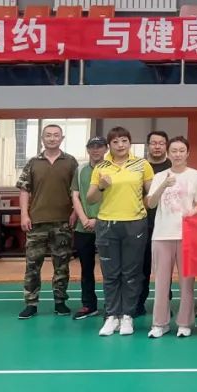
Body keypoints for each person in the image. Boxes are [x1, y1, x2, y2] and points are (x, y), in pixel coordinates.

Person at [87, 127, 155, 337]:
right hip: (107, 224)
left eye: (124, 140)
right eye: (115, 142)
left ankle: (127, 316)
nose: (120, 145)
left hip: (135, 223)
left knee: (131, 273)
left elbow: (151, 196)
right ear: (109, 145)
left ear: (130, 142)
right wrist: (101, 186)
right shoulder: (101, 167)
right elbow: (90, 199)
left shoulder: (142, 165)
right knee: (111, 273)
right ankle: (111, 316)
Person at [145, 136, 197, 338]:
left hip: (187, 235)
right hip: (162, 234)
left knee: (187, 283)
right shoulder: (160, 176)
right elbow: (151, 203)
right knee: (161, 283)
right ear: (168, 153)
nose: (178, 154)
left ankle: (185, 323)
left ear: (188, 153)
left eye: (181, 151)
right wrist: (164, 185)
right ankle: (159, 323)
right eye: (174, 151)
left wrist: (191, 213)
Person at [16, 124, 78, 320]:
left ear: (62, 138)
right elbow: (24, 190)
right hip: (37, 223)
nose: (52, 138)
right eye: (48, 135)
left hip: (63, 223)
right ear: (42, 139)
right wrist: (24, 215)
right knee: (32, 266)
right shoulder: (33, 162)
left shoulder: (71, 162)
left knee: (62, 266)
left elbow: (77, 191)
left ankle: (60, 302)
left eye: (56, 135)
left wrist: (75, 213)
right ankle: (31, 303)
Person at [134, 130, 171, 318]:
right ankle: (138, 303)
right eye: (153, 143)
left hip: (167, 224)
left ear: (166, 146)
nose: (157, 146)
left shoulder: (173, 167)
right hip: (142, 223)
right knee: (142, 266)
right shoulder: (138, 167)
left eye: (161, 143)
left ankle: (165, 305)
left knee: (165, 268)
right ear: (148, 145)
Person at [70, 136, 108, 320]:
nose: (96, 150)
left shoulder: (112, 169)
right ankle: (89, 305)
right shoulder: (80, 170)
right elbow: (75, 196)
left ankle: (112, 305)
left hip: (107, 225)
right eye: (92, 147)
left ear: (106, 149)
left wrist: (98, 220)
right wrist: (84, 218)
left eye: (99, 146)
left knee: (110, 269)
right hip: (83, 227)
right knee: (86, 269)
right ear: (88, 149)